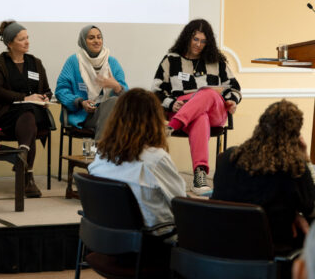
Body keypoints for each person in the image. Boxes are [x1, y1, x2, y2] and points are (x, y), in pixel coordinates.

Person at [88, 88, 185, 269]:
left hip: (107, 243)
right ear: (155, 120)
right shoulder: (155, 159)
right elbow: (181, 205)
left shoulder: (101, 156)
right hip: (150, 247)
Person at [212, 100, 315, 254]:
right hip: (270, 249)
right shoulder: (293, 168)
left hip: (221, 243)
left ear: (260, 125)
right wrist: (306, 159)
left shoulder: (228, 158)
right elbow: (310, 206)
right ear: (296, 135)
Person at [152, 18, 241, 195]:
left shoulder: (217, 61)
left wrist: (231, 100)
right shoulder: (171, 60)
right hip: (184, 110)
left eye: (203, 41)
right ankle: (200, 175)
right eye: (195, 39)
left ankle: (172, 127)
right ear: (187, 38)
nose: (199, 44)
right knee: (200, 117)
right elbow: (157, 90)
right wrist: (171, 103)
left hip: (215, 110)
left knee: (207, 93)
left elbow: (234, 88)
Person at [0, 21, 52, 198]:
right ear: (9, 43)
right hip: (6, 115)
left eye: (27, 38)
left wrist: (45, 97)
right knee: (28, 113)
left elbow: (46, 89)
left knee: (29, 113)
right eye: (22, 39)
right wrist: (24, 98)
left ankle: (22, 155)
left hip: (34, 114)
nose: (27, 42)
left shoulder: (35, 63)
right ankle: (28, 176)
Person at [55, 25, 128, 140]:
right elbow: (61, 91)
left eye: (99, 37)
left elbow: (128, 97)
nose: (97, 41)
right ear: (83, 41)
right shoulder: (74, 61)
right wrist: (80, 102)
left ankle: (101, 151)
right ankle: (103, 153)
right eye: (91, 38)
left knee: (115, 104)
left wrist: (117, 87)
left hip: (111, 113)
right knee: (115, 122)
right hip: (84, 115)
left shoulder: (112, 62)